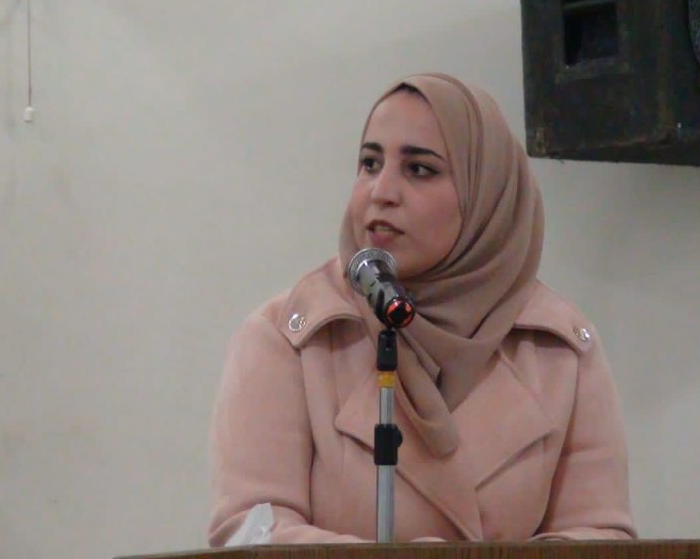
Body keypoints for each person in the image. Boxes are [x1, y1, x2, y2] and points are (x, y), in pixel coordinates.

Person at [208, 73, 636, 545]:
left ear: (485, 193)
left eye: (419, 169)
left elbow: (600, 538)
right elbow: (253, 535)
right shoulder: (288, 340)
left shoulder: (559, 351)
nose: (382, 191)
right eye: (370, 163)